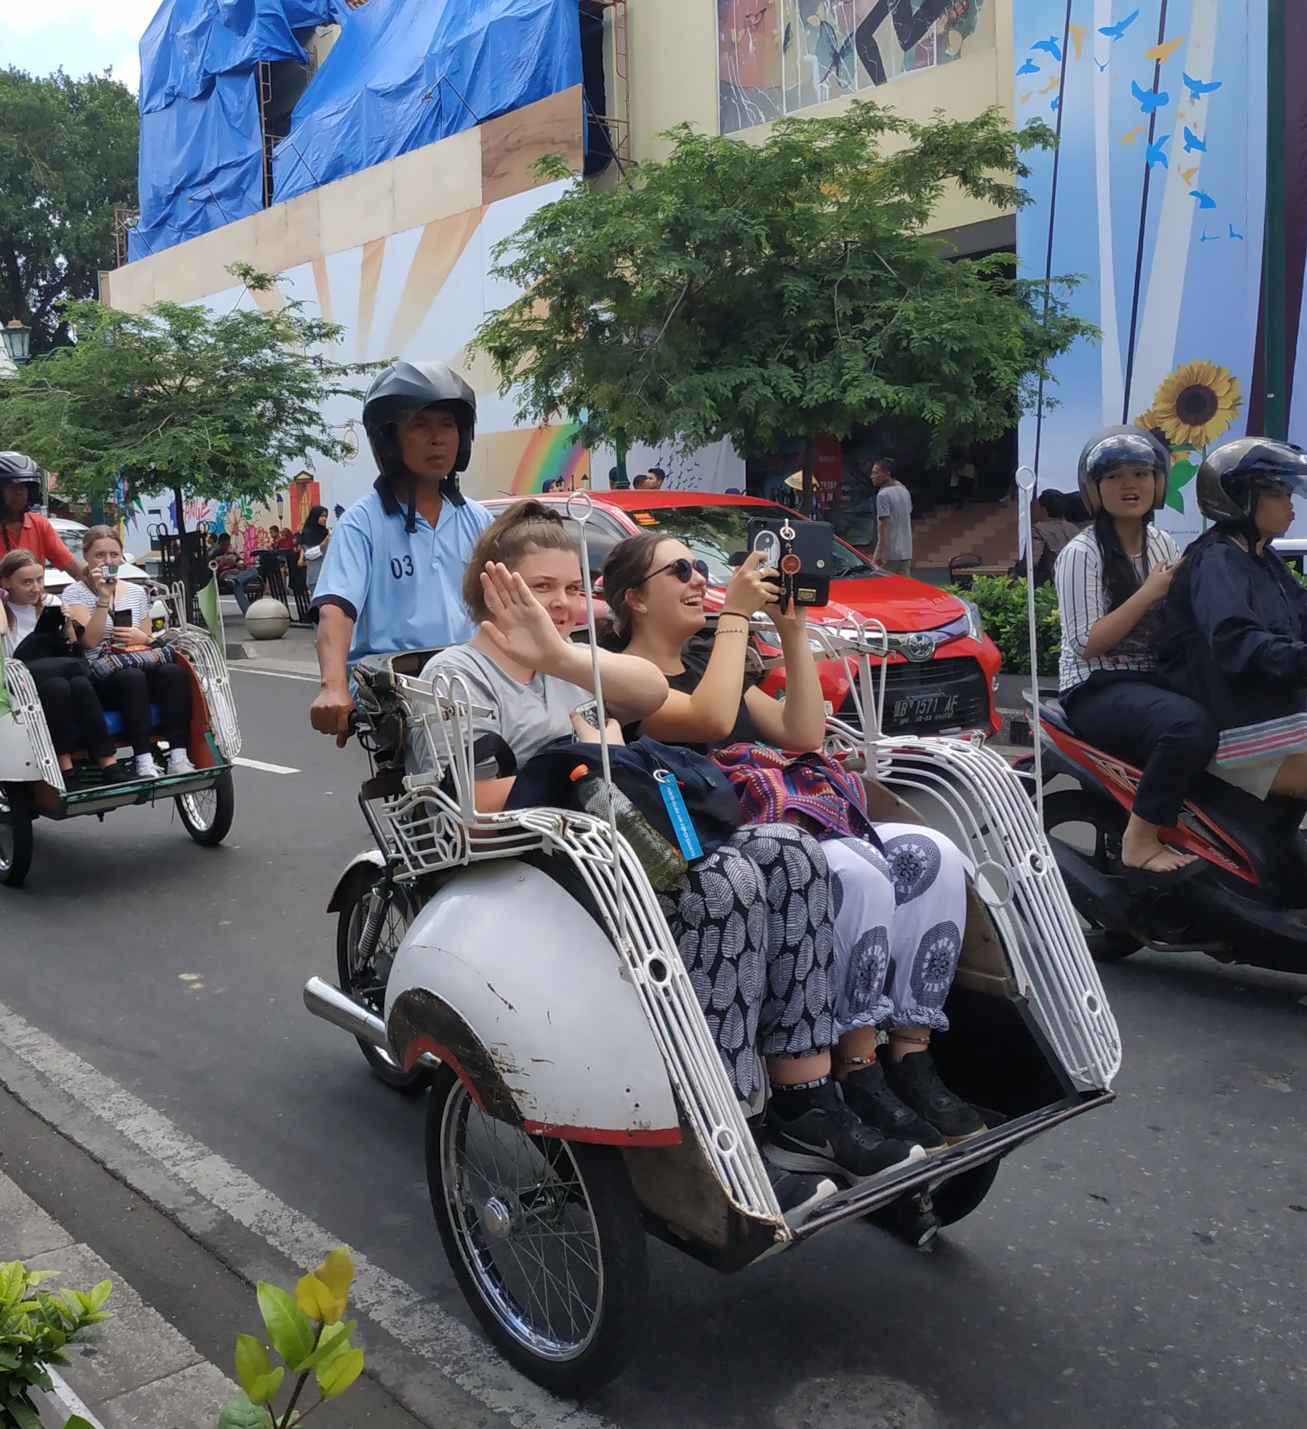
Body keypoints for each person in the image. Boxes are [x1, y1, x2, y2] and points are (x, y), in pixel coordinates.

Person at [416, 503, 926, 1202]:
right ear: (493, 588)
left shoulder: (574, 664)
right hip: (535, 865)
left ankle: (806, 1101)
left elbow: (645, 700)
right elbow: (471, 808)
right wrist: (571, 766)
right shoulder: (457, 675)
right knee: (727, 885)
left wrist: (561, 659)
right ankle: (728, 1124)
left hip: (618, 845)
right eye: (540, 587)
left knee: (790, 853)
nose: (561, 603)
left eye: (572, 586)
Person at [599, 530, 985, 1152]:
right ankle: (854, 1065)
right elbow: (711, 720)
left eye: (700, 566)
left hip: (802, 814)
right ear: (635, 599)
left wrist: (794, 629)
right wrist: (733, 617)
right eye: (681, 571)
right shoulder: (628, 679)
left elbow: (802, 733)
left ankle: (911, 1053)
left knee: (931, 854)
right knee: (860, 872)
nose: (700, 577)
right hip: (741, 835)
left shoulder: (707, 659)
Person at [1160, 437, 1307, 946]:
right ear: (1241, 499)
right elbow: (1235, 642)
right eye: (1279, 493)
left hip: (1272, 705)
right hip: (1234, 719)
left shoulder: (1261, 557)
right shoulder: (1216, 562)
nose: (1291, 504)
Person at [1054, 428, 1217, 878]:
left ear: (1159, 482)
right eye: (1116, 476)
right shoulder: (1081, 554)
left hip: (1152, 678)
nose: (1131, 485)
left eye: (1142, 473)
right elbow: (1087, 643)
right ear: (1094, 489)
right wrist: (1148, 593)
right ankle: (1140, 839)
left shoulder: (1162, 543)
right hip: (1095, 685)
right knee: (1188, 727)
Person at [310, 362, 493, 740]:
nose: (438, 438)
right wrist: (332, 685)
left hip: (473, 679)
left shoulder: (478, 520)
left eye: (446, 424)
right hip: (400, 686)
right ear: (389, 439)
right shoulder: (363, 523)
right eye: (420, 425)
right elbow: (336, 610)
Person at [60, 526, 196, 780]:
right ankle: (143, 757)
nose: (107, 561)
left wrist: (141, 637)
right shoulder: (75, 593)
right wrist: (103, 598)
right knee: (131, 677)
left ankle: (179, 755)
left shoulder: (134, 591)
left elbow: (145, 641)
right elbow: (89, 641)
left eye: (113, 554)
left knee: (172, 673)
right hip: (101, 674)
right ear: (86, 556)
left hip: (134, 660)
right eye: (100, 555)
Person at [0, 549, 134, 785]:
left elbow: (69, 646)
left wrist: (67, 623)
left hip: (54, 668)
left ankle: (108, 763)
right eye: (26, 582)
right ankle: (64, 767)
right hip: (20, 679)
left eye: (39, 580)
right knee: (57, 687)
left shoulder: (50, 602)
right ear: (6, 582)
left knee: (79, 683)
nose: (36, 588)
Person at [0, 451, 88, 600]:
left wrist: (99, 589)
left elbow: (74, 569)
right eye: (12, 487)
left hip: (33, 611)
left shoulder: (40, 525)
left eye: (23, 488)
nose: (19, 493)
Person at [870, 459, 913, 575]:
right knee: (904, 589)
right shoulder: (904, 492)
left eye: (875, 473)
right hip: (906, 550)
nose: (872, 476)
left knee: (877, 584)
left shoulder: (883, 495)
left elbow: (885, 523)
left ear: (887, 474)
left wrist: (881, 551)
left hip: (890, 552)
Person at [294, 505, 329, 605]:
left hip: (327, 575)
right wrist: (322, 544)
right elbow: (308, 554)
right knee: (318, 606)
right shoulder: (308, 533)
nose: (324, 519)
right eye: (322, 516)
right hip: (315, 576)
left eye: (326, 516)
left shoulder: (324, 532)